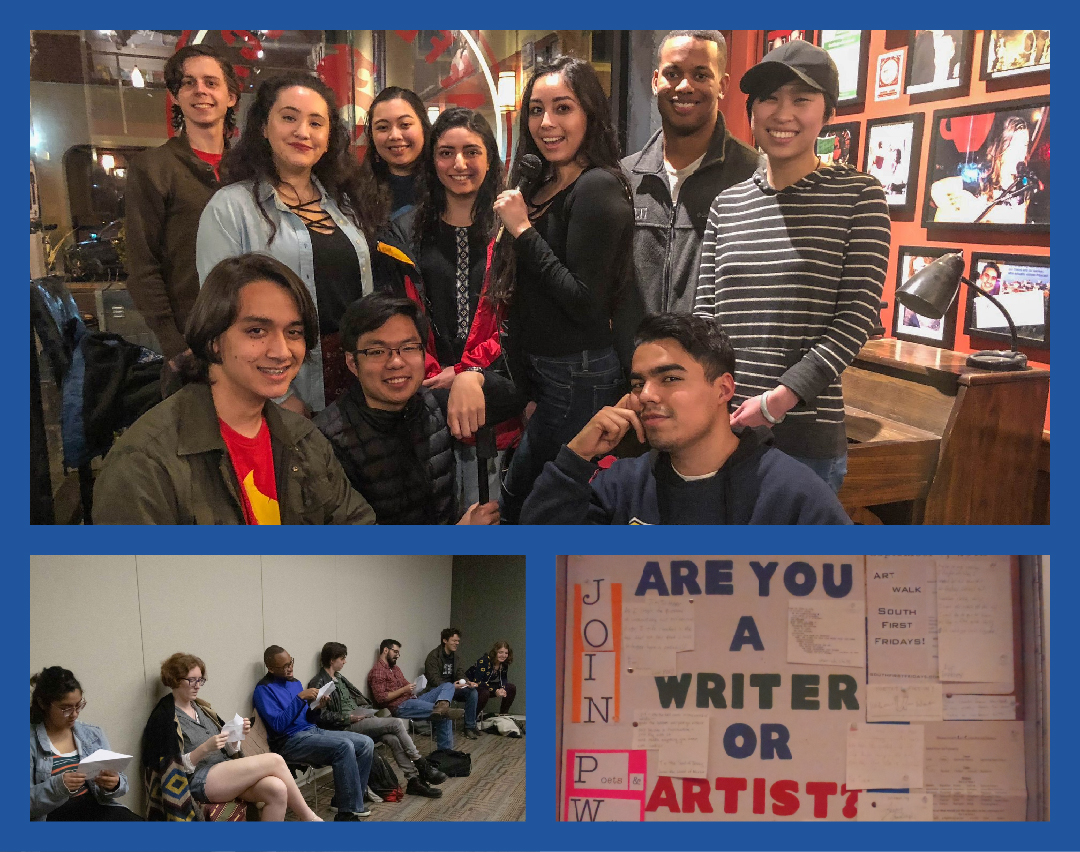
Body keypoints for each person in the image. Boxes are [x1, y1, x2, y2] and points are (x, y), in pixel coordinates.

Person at [693, 40, 890, 494]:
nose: (783, 114)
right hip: (723, 429)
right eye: (769, 99)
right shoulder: (728, 204)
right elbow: (705, 315)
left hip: (804, 440)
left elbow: (856, 318)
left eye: (801, 99)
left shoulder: (859, 196)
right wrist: (710, 401)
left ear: (827, 112)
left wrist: (779, 400)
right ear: (752, 110)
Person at [93, 253, 375, 524]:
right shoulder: (142, 465)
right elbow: (137, 573)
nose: (281, 351)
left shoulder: (304, 439)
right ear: (213, 339)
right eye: (256, 331)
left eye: (294, 332)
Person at [474, 55, 634, 523]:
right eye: (536, 110)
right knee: (527, 487)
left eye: (563, 108)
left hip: (579, 372)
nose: (547, 123)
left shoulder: (597, 188)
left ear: (589, 113)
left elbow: (585, 302)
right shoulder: (541, 182)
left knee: (530, 496)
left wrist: (523, 232)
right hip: (544, 371)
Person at [521, 313, 853, 525]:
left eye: (670, 379)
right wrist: (575, 458)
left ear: (723, 389)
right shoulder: (623, 485)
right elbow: (543, 564)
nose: (647, 395)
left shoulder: (793, 495)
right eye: (638, 384)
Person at [197, 71, 379, 414]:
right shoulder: (230, 207)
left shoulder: (344, 207)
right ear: (264, 128)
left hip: (354, 378)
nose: (302, 132)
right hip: (278, 380)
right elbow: (218, 318)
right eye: (289, 118)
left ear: (328, 138)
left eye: (316, 122)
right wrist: (279, 398)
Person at [389, 107, 523, 506]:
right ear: (432, 161)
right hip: (422, 393)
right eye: (446, 152)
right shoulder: (405, 230)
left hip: (498, 392)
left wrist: (471, 372)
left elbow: (523, 318)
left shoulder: (513, 228)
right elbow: (398, 312)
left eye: (472, 152)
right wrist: (434, 373)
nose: (459, 164)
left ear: (490, 159)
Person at [313, 293, 500, 524]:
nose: (396, 362)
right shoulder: (325, 442)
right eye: (377, 351)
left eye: (409, 347)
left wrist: (472, 377)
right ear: (352, 362)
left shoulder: (431, 403)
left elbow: (514, 397)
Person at [620, 31, 758, 316]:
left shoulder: (752, 175)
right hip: (634, 358)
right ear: (656, 81)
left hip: (713, 358)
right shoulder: (626, 176)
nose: (684, 86)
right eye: (673, 73)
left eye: (700, 75)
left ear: (722, 85)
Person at [125, 44, 241, 363]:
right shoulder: (154, 168)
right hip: (193, 341)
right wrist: (173, 344)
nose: (200, 90)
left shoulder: (249, 169)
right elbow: (142, 264)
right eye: (188, 83)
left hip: (250, 332)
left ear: (231, 96)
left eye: (211, 82)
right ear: (175, 96)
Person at [142, 653, 320, 821]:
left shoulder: (202, 709)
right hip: (198, 780)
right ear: (175, 680)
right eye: (192, 680)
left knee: (277, 788)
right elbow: (173, 770)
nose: (197, 685)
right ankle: (309, 818)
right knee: (275, 760)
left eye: (200, 680)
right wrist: (205, 748)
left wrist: (236, 737)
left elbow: (227, 749)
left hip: (223, 773)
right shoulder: (165, 717)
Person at [307, 642, 446, 799]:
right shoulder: (317, 683)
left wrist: (367, 711)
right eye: (342, 658)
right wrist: (349, 717)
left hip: (358, 719)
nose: (345, 661)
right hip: (343, 726)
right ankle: (421, 764)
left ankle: (413, 779)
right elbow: (319, 716)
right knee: (396, 722)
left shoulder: (340, 678)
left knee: (392, 738)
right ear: (332, 660)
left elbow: (358, 699)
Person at [253, 645, 374, 821]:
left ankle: (345, 801)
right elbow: (278, 725)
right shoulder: (263, 690)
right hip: (288, 741)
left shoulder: (295, 683)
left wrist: (318, 708)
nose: (290, 668)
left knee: (365, 743)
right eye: (285, 666)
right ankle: (346, 813)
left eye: (291, 662)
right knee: (344, 746)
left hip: (311, 731)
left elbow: (307, 718)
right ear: (271, 668)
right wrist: (300, 698)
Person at [30, 666, 141, 821]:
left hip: (95, 806)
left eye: (78, 705)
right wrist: (58, 787)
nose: (74, 714)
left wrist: (114, 784)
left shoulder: (92, 734)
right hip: (52, 815)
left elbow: (120, 786)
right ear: (43, 703)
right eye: (66, 708)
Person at [930, 116, 1032, 225]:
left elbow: (1018, 224)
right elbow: (937, 188)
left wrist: (978, 209)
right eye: (1015, 145)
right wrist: (962, 213)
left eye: (1024, 145)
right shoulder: (982, 177)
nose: (1021, 152)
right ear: (1000, 147)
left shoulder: (1023, 186)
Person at [367, 639, 464, 752]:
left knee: (448, 685)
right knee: (445, 715)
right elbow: (381, 698)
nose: (398, 655)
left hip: (413, 699)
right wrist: (404, 689)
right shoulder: (378, 671)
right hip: (400, 706)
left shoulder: (395, 669)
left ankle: (442, 705)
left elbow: (406, 684)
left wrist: (415, 686)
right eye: (395, 652)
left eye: (398, 653)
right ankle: (446, 753)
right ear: (385, 650)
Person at [358, 86, 432, 223]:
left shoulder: (445, 184)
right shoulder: (355, 191)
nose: (394, 136)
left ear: (423, 127)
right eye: (382, 127)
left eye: (404, 125)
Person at [424, 628, 480, 740]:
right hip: (438, 688)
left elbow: (460, 674)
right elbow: (434, 679)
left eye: (458, 641)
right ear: (445, 640)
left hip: (453, 687)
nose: (457, 643)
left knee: (472, 692)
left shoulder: (456, 657)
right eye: (454, 641)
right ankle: (437, 729)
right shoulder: (433, 656)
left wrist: (467, 682)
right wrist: (450, 686)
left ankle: (469, 727)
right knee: (442, 694)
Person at [469, 641, 517, 717]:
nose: (504, 655)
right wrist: (495, 690)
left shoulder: (504, 663)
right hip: (472, 685)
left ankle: (503, 715)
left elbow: (503, 678)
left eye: (506, 653)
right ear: (495, 652)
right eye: (500, 652)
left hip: (485, 685)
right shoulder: (484, 661)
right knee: (485, 692)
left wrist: (502, 688)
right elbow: (477, 681)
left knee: (511, 687)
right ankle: (471, 719)